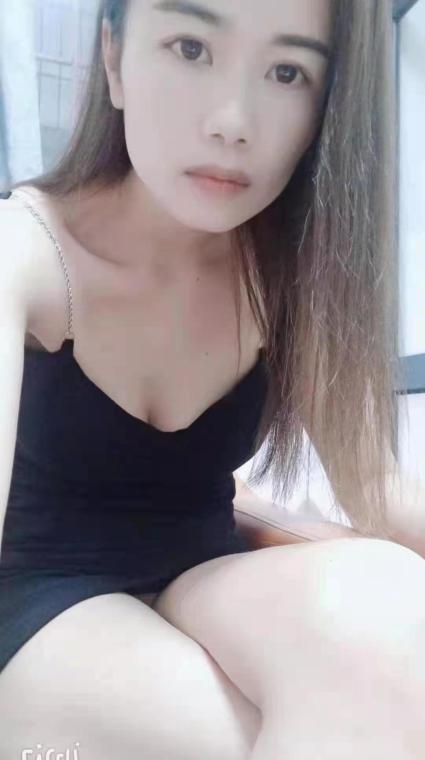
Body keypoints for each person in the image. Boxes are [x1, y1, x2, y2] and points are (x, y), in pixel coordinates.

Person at [2, 1, 420, 759]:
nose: (233, 121)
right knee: (236, 734)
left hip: (200, 570)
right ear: (114, 58)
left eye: (286, 72)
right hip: (35, 601)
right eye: (190, 48)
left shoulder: (286, 273)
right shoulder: (23, 255)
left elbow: (374, 485)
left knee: (393, 607)